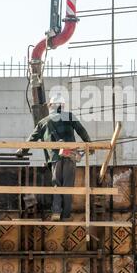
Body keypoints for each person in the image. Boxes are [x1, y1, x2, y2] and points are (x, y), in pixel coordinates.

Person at [16, 93, 91, 221]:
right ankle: (66, 215)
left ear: (50, 106)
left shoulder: (43, 122)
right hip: (70, 156)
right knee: (68, 186)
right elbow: (81, 131)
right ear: (63, 105)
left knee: (57, 183)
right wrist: (90, 145)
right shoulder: (69, 117)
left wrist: (22, 151)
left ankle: (56, 212)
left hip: (55, 158)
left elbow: (31, 139)